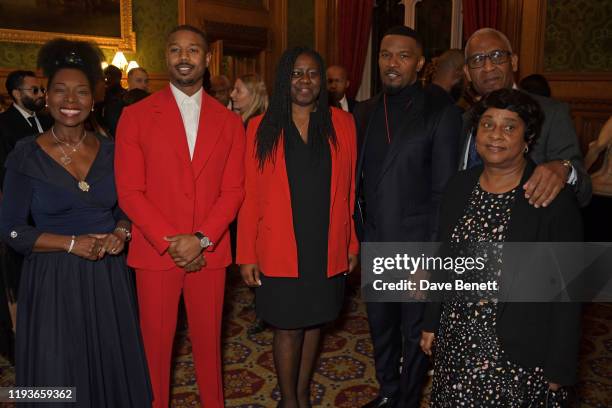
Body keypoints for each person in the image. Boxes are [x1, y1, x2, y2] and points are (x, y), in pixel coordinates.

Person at [0, 39, 151, 406]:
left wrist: (122, 230)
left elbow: (129, 205)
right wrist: (70, 243)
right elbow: (12, 229)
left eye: (81, 91)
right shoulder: (26, 154)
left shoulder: (114, 150)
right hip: (52, 280)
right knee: (59, 370)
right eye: (61, 91)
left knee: (110, 364)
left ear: (93, 98)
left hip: (107, 277)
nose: (71, 100)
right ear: (46, 97)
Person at [421, 88, 583, 407]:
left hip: (518, 350)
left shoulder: (551, 199)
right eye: (488, 124)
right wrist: (430, 322)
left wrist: (560, 366)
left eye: (510, 126)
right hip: (457, 341)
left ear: (528, 138)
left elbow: (569, 291)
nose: (496, 135)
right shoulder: (459, 186)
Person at [115, 25, 245, 408]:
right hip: (157, 253)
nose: (183, 57)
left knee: (210, 345)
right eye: (175, 50)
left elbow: (234, 191)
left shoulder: (230, 122)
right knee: (154, 348)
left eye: (192, 50)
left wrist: (201, 238)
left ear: (207, 59)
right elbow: (129, 192)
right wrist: (172, 241)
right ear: (166, 58)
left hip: (210, 252)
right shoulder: (135, 117)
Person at [237, 46, 359, 408]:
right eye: (296, 73)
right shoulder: (261, 127)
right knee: (287, 326)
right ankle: (289, 400)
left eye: (312, 74)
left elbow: (349, 191)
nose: (304, 81)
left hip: (325, 243)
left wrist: (351, 244)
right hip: (278, 246)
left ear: (322, 81)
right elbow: (250, 196)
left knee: (315, 322)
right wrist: (246, 253)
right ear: (283, 79)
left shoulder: (343, 124)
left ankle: (303, 395)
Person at [354, 26, 462, 408]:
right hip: (375, 240)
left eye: (403, 56)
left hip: (417, 246)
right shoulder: (364, 111)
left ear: (420, 63)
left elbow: (444, 195)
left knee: (415, 335)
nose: (392, 63)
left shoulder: (441, 111)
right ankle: (388, 392)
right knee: (381, 330)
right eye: (385, 55)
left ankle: (408, 400)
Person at [459, 28, 591, 208]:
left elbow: (584, 191)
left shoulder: (551, 114)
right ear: (467, 72)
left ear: (513, 62)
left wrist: (564, 169)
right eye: (477, 60)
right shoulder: (463, 120)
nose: (488, 67)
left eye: (497, 56)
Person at [0, 70, 54, 363]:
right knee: (21, 282)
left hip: (49, 211)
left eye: (42, 90)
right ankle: (24, 344)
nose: (40, 95)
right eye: (34, 91)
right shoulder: (3, 125)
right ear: (16, 94)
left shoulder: (49, 121)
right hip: (20, 212)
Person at [229, 72, 269, 334]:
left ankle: (265, 310)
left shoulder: (259, 125)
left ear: (253, 95)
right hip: (239, 200)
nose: (232, 95)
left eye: (238, 90)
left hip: (254, 202)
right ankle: (259, 302)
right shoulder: (240, 122)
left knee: (257, 255)